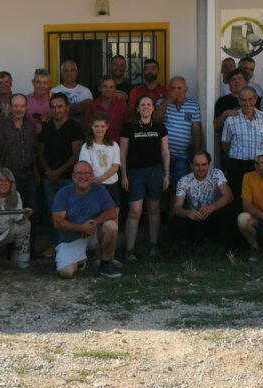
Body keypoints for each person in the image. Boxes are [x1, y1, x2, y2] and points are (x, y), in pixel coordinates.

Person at [121, 95, 170, 261]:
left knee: (154, 209)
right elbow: (123, 153)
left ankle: (153, 245)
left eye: (149, 104)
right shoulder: (129, 128)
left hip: (155, 172)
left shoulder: (160, 127)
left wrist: (167, 174)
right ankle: (129, 249)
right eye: (143, 104)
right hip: (135, 173)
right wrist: (124, 175)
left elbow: (165, 152)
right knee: (135, 211)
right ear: (137, 108)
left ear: (153, 108)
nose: (146, 107)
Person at [52, 161, 120, 278]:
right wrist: (81, 228)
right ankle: (80, 261)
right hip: (71, 239)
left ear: (92, 176)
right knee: (66, 273)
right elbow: (57, 222)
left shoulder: (99, 190)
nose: (83, 177)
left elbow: (112, 211)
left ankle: (105, 264)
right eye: (79, 173)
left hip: (93, 233)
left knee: (111, 226)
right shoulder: (63, 193)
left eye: (86, 173)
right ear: (73, 176)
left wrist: (94, 223)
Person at [39, 93, 84, 257]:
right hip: (49, 179)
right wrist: (49, 173)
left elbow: (76, 154)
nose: (56, 110)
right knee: (54, 215)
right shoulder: (47, 128)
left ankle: (73, 248)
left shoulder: (75, 127)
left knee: (71, 215)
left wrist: (58, 172)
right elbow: (41, 153)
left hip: (69, 180)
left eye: (60, 106)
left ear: (67, 108)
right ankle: (58, 246)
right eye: (53, 107)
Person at [220, 86, 263, 211]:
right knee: (237, 198)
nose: (247, 103)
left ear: (256, 99)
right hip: (237, 165)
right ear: (239, 101)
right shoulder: (231, 119)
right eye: (243, 100)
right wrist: (233, 158)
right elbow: (225, 144)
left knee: (259, 198)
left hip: (258, 166)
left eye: (250, 99)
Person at [171, 151, 234, 252]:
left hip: (212, 215)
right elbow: (176, 208)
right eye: (197, 165)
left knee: (229, 211)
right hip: (194, 218)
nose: (201, 168)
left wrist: (213, 207)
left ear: (209, 164)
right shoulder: (184, 180)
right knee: (175, 220)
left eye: (204, 164)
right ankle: (187, 248)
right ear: (191, 165)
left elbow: (229, 196)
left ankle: (230, 250)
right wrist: (188, 213)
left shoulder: (216, 174)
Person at [0, 94, 41, 214]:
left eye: (22, 106)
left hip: (29, 175)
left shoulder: (30, 125)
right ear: (10, 107)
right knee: (10, 210)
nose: (19, 109)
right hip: (9, 176)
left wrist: (36, 173)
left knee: (30, 210)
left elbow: (34, 151)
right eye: (16, 106)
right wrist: (0, 175)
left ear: (26, 107)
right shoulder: (1, 125)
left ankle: (30, 233)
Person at [153, 76, 202, 185]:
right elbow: (155, 118)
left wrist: (197, 153)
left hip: (182, 156)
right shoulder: (162, 102)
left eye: (179, 88)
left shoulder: (193, 106)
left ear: (186, 89)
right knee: (161, 187)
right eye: (173, 88)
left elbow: (196, 130)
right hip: (162, 154)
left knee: (179, 187)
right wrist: (168, 101)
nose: (176, 91)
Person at [79, 112, 122, 207]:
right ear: (91, 126)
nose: (99, 129)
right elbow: (85, 168)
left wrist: (100, 179)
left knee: (114, 217)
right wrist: (95, 181)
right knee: (95, 217)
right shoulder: (86, 146)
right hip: (92, 186)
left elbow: (115, 167)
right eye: (96, 126)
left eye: (102, 126)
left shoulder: (114, 145)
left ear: (107, 126)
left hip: (112, 186)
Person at [83, 75, 129, 142]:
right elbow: (86, 127)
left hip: (117, 144)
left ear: (115, 89)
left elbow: (127, 125)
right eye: (105, 87)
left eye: (111, 87)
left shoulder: (121, 104)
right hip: (97, 144)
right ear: (99, 88)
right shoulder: (92, 105)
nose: (108, 89)